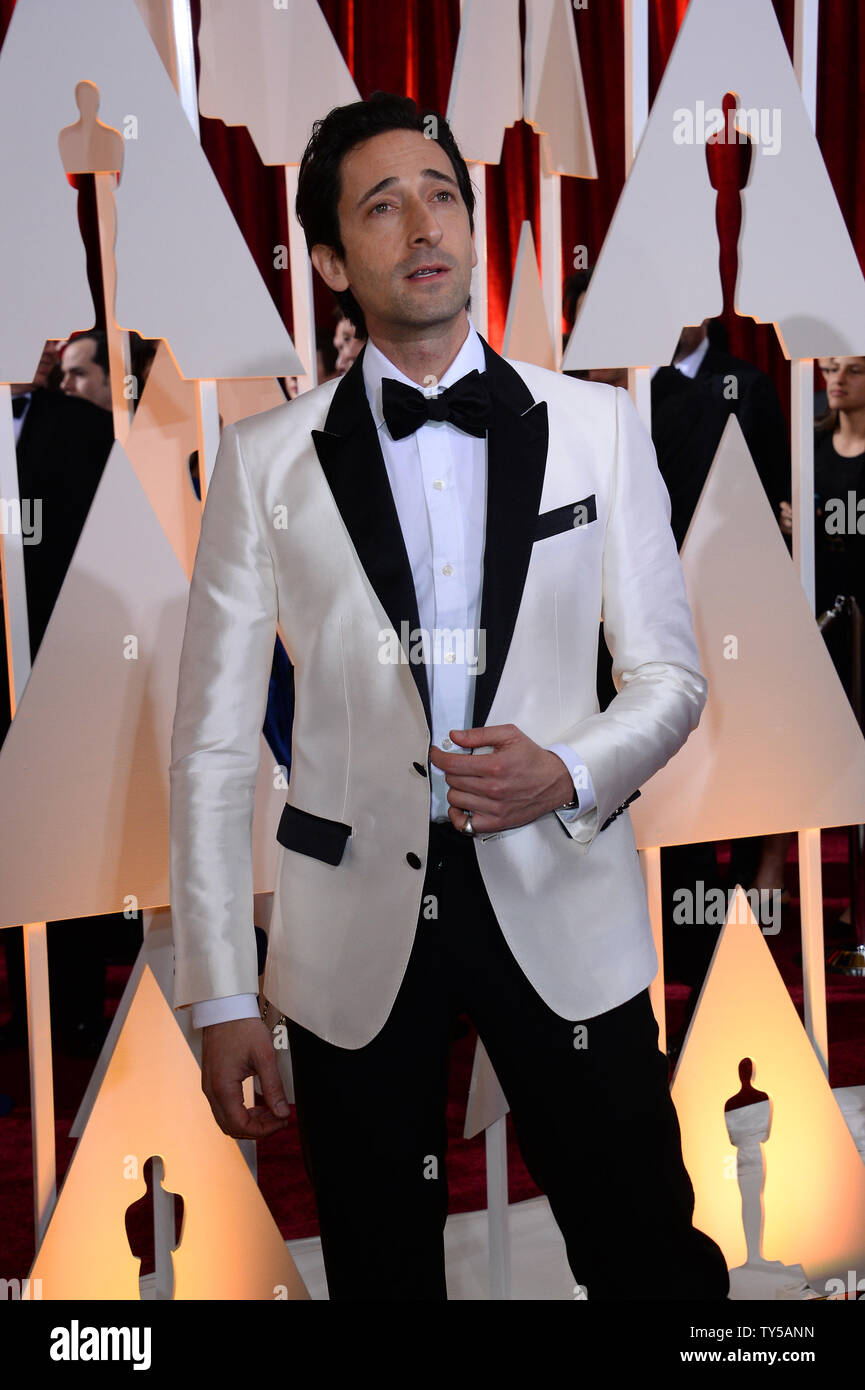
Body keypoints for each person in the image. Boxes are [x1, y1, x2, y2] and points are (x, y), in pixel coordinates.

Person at [169, 91, 729, 1302]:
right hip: (347, 929)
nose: (422, 224)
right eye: (380, 205)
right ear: (328, 259)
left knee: (650, 1255)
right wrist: (220, 990)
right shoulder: (262, 462)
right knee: (379, 1269)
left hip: (563, 892)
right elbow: (212, 744)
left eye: (441, 194)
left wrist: (570, 769)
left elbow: (671, 678)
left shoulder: (600, 427)